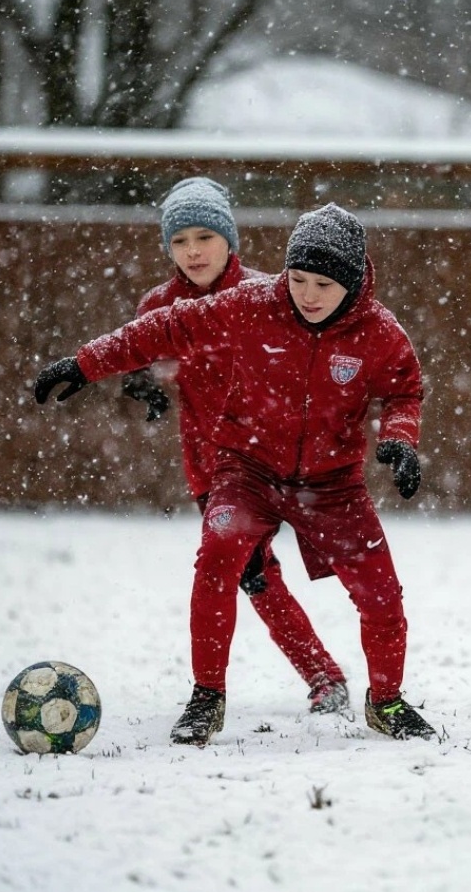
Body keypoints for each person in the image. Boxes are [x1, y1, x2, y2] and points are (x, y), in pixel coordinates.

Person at [34, 201, 436, 745]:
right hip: (248, 470)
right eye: (297, 279)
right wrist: (85, 364)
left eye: (323, 284)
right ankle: (207, 697)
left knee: (382, 595)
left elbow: (404, 392)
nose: (307, 295)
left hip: (333, 485)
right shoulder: (251, 304)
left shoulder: (381, 333)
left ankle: (386, 702)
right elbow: (165, 327)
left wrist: (400, 440)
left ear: (354, 284)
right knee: (218, 558)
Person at [120, 178, 349, 740]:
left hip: (271, 459)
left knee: (256, 570)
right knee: (254, 572)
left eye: (205, 237)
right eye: (180, 241)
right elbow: (135, 348)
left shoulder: (266, 296)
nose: (193, 251)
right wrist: (140, 379)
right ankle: (321, 675)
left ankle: (306, 678)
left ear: (230, 239)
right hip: (209, 464)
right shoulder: (158, 305)